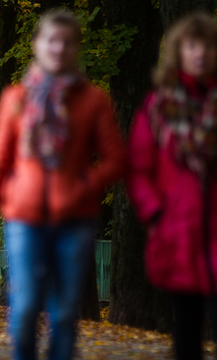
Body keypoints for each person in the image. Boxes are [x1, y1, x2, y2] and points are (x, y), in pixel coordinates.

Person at [0, 10, 124, 360]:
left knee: (65, 314)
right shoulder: (16, 99)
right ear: (38, 45)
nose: (59, 48)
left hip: (75, 220)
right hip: (24, 219)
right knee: (24, 309)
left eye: (67, 42)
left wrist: (86, 183)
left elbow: (117, 159)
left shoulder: (93, 100)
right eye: (52, 40)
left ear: (76, 49)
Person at [126, 12, 217, 360]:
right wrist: (155, 213)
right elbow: (139, 168)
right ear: (179, 51)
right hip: (178, 230)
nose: (200, 54)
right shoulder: (158, 106)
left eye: (207, 46)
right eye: (192, 46)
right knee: (186, 332)